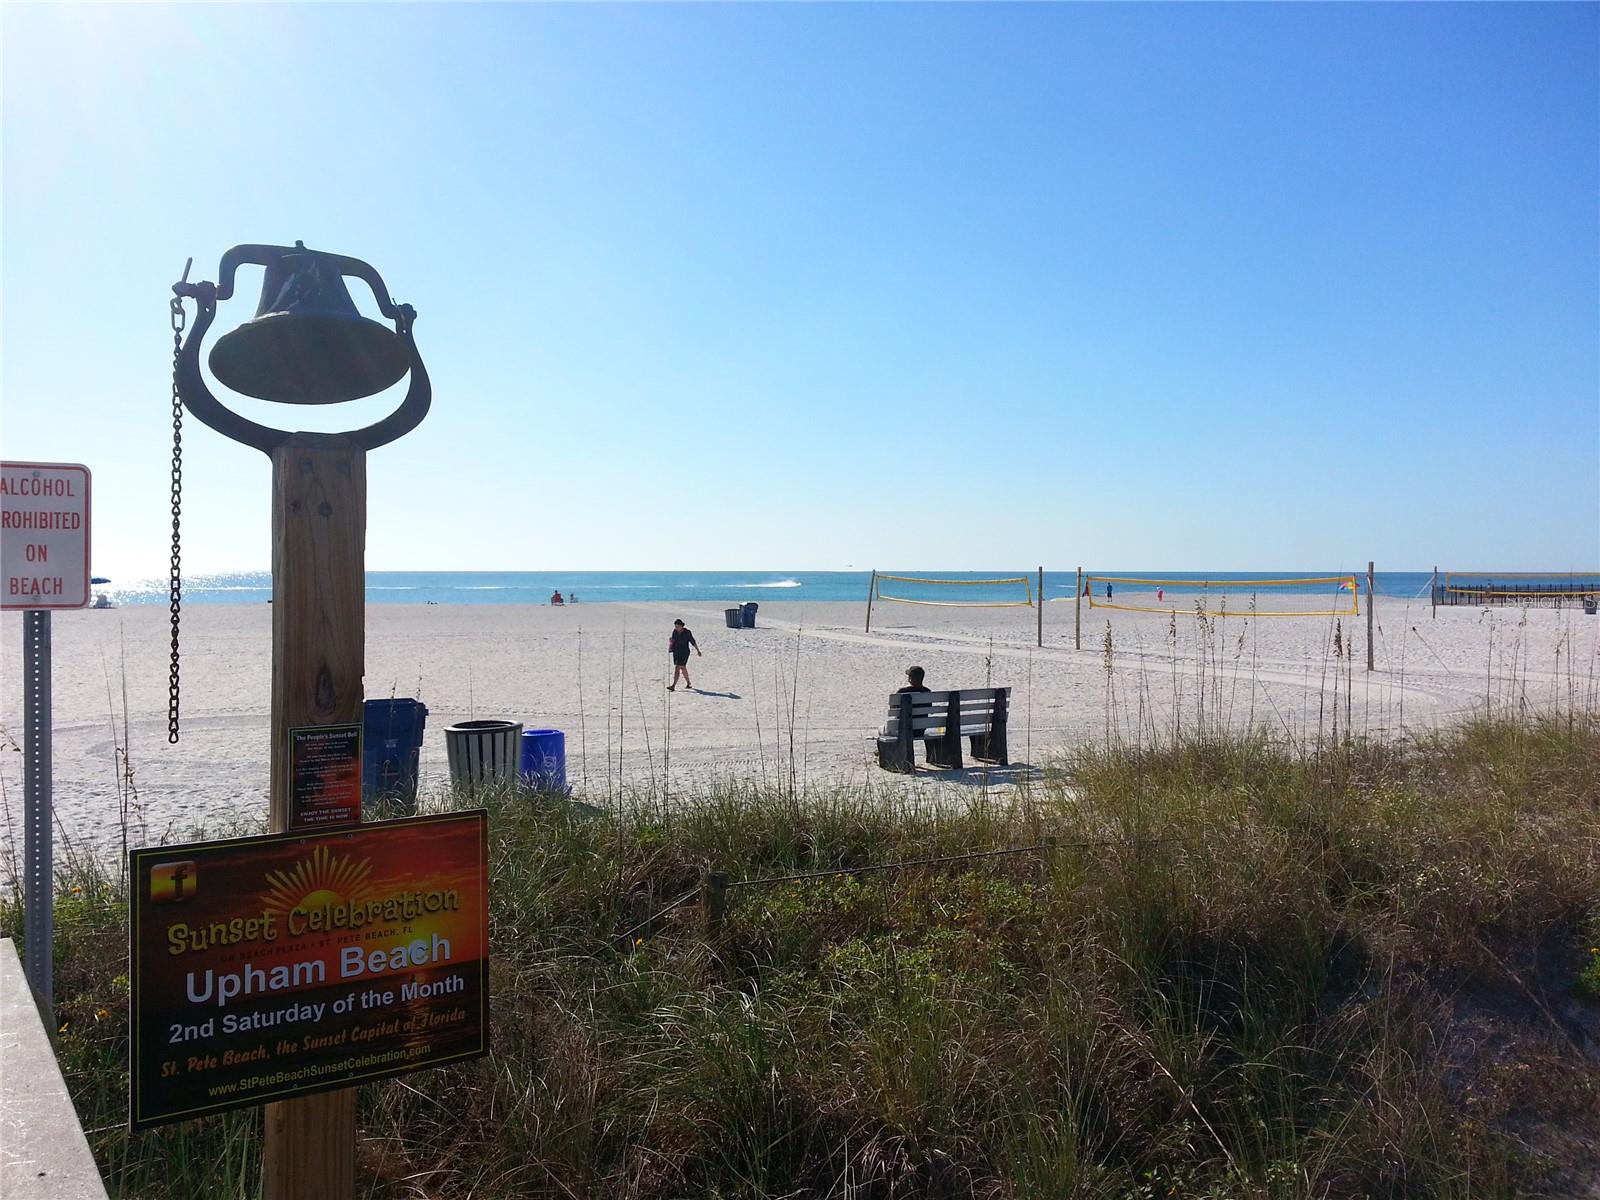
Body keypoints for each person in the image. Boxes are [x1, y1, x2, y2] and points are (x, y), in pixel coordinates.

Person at [667, 619, 701, 691]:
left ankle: (673, 685)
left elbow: (692, 642)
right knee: (682, 667)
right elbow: (673, 641)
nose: (676, 628)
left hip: (684, 652)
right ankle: (688, 683)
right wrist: (670, 647)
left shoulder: (687, 632)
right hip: (676, 652)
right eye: (675, 626)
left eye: (677, 626)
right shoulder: (675, 632)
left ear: (682, 626)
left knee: (677, 667)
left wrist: (698, 650)